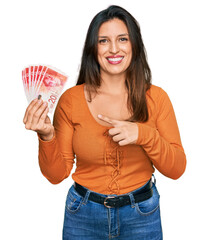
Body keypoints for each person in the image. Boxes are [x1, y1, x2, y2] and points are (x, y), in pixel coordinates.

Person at [23, 5, 186, 240]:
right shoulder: (71, 100)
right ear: (93, 48)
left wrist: (143, 134)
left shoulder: (156, 97)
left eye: (122, 39)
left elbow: (177, 169)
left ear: (134, 45)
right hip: (83, 216)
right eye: (103, 41)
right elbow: (56, 175)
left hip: (142, 214)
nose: (113, 49)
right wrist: (46, 136)